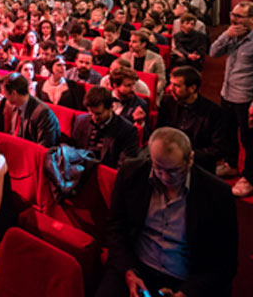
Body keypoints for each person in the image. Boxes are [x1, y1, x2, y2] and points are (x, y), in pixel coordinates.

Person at [99, 127, 238, 297]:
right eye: (158, 169)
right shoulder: (131, 173)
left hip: (186, 278)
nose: (165, 178)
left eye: (174, 171)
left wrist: (186, 293)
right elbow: (115, 228)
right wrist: (129, 272)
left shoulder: (217, 193)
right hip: (137, 266)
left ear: (191, 159)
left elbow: (225, 260)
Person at [210, 1, 253, 197]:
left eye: (239, 16)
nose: (233, 19)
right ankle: (231, 164)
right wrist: (226, 35)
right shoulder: (232, 35)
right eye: (233, 14)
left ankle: (249, 178)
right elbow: (213, 52)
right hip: (227, 93)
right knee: (228, 133)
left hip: (248, 99)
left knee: (249, 140)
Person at [157, 66, 226, 171]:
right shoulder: (167, 102)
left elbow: (218, 150)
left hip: (197, 165)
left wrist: (187, 156)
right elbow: (158, 131)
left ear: (192, 88)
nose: (170, 89)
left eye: (176, 86)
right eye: (171, 84)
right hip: (168, 160)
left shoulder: (214, 112)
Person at [68, 85, 139, 169]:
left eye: (98, 113)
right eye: (91, 112)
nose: (94, 118)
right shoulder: (81, 121)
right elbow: (74, 151)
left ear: (111, 107)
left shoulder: (127, 130)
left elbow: (123, 168)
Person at [2, 72, 60, 147]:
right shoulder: (13, 106)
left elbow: (44, 148)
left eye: (5, 93)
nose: (4, 96)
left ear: (13, 93)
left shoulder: (43, 113)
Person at [119, 29, 166, 101]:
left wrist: (150, 93)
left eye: (134, 42)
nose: (130, 44)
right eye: (130, 41)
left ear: (143, 44)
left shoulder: (156, 59)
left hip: (149, 94)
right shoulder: (124, 57)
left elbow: (161, 81)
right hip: (129, 92)